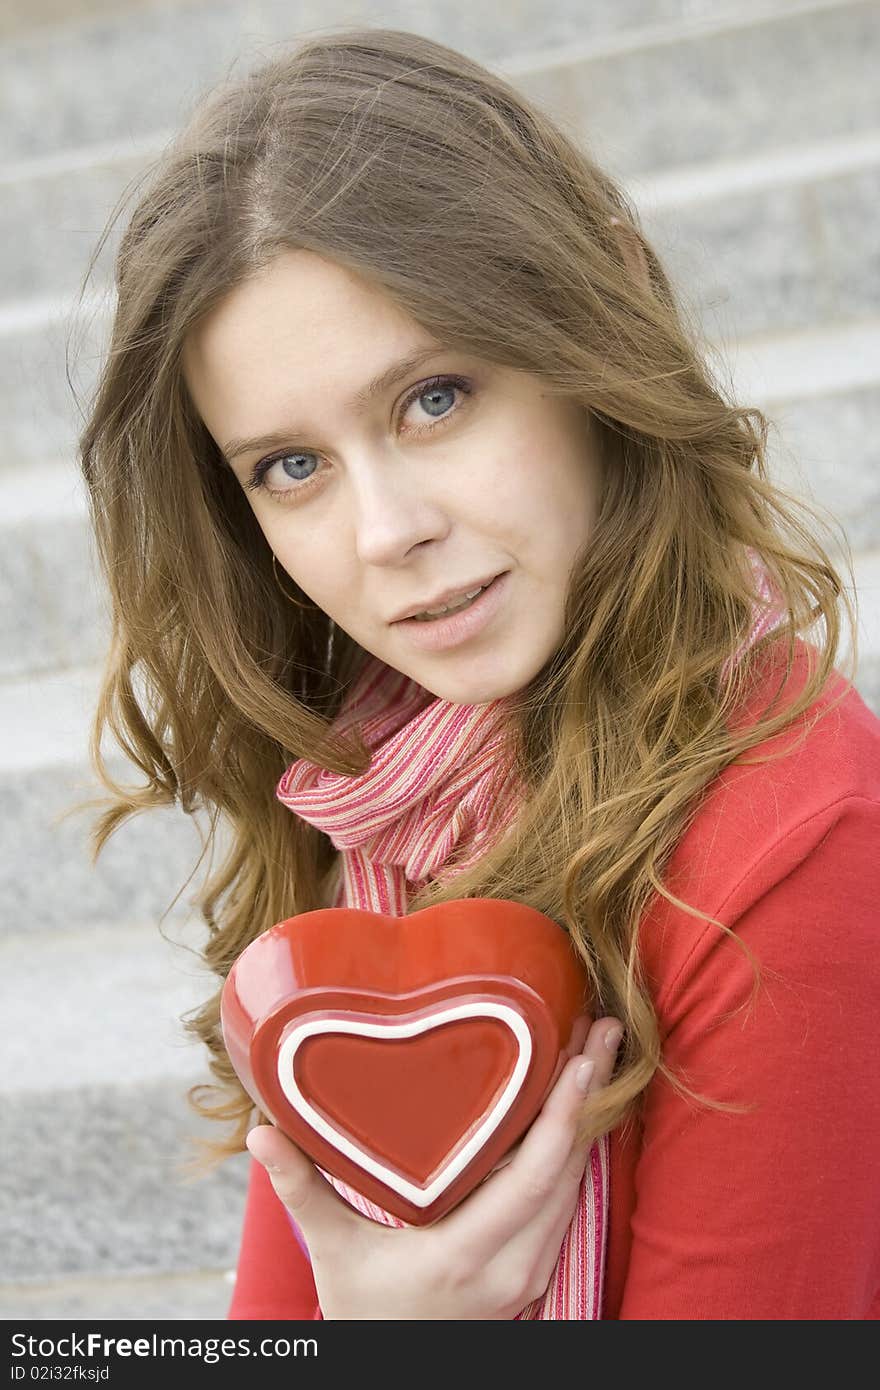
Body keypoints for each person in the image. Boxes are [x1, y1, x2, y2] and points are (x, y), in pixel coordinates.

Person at [76, 27, 880, 1320]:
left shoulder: (790, 841)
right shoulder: (383, 803)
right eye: (292, 465)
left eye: (435, 398)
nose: (386, 530)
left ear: (589, 315)